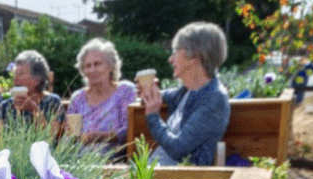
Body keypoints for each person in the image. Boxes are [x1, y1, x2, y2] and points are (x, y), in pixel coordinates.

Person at [137, 21, 230, 166]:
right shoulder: (186, 91)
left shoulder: (214, 99)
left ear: (194, 55)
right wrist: (148, 91)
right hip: (158, 176)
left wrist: (153, 116)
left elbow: (178, 148)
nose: (170, 59)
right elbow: (151, 98)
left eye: (175, 51)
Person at [67, 38, 136, 156]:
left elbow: (129, 130)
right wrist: (69, 134)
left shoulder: (125, 91)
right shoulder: (77, 98)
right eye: (87, 66)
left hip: (113, 162)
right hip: (79, 161)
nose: (92, 70)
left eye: (97, 64)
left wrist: (99, 137)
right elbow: (71, 138)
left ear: (111, 66)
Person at [0, 50, 64, 124]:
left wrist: (35, 111)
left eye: (21, 74)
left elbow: (56, 134)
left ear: (37, 79)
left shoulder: (52, 102)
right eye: (15, 74)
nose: (15, 79)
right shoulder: (5, 106)